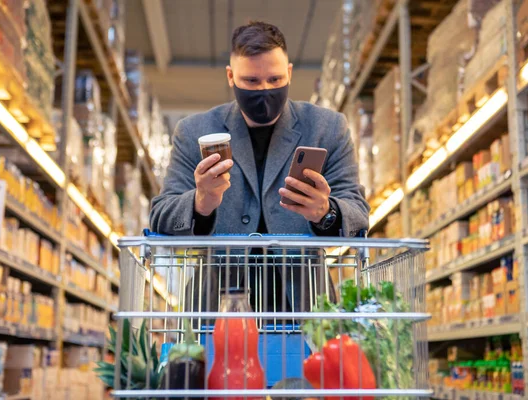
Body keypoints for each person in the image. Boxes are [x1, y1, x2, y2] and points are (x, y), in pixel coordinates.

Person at [150, 21, 369, 315]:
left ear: (289, 72)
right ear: (231, 76)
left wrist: (325, 211)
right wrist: (201, 203)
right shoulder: (194, 132)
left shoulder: (327, 128)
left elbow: (357, 212)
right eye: (251, 81)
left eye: (275, 79)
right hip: (216, 308)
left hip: (305, 307)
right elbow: (160, 214)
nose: (264, 90)